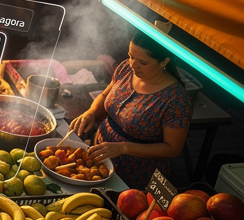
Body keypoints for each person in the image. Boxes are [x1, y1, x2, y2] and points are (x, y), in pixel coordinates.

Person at [67, 31, 192, 189]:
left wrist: (123, 147)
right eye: (131, 56)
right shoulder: (126, 68)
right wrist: (91, 112)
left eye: (142, 62)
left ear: (164, 61)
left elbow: (172, 149)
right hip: (100, 155)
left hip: (137, 172)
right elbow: (105, 95)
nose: (133, 64)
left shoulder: (176, 99)